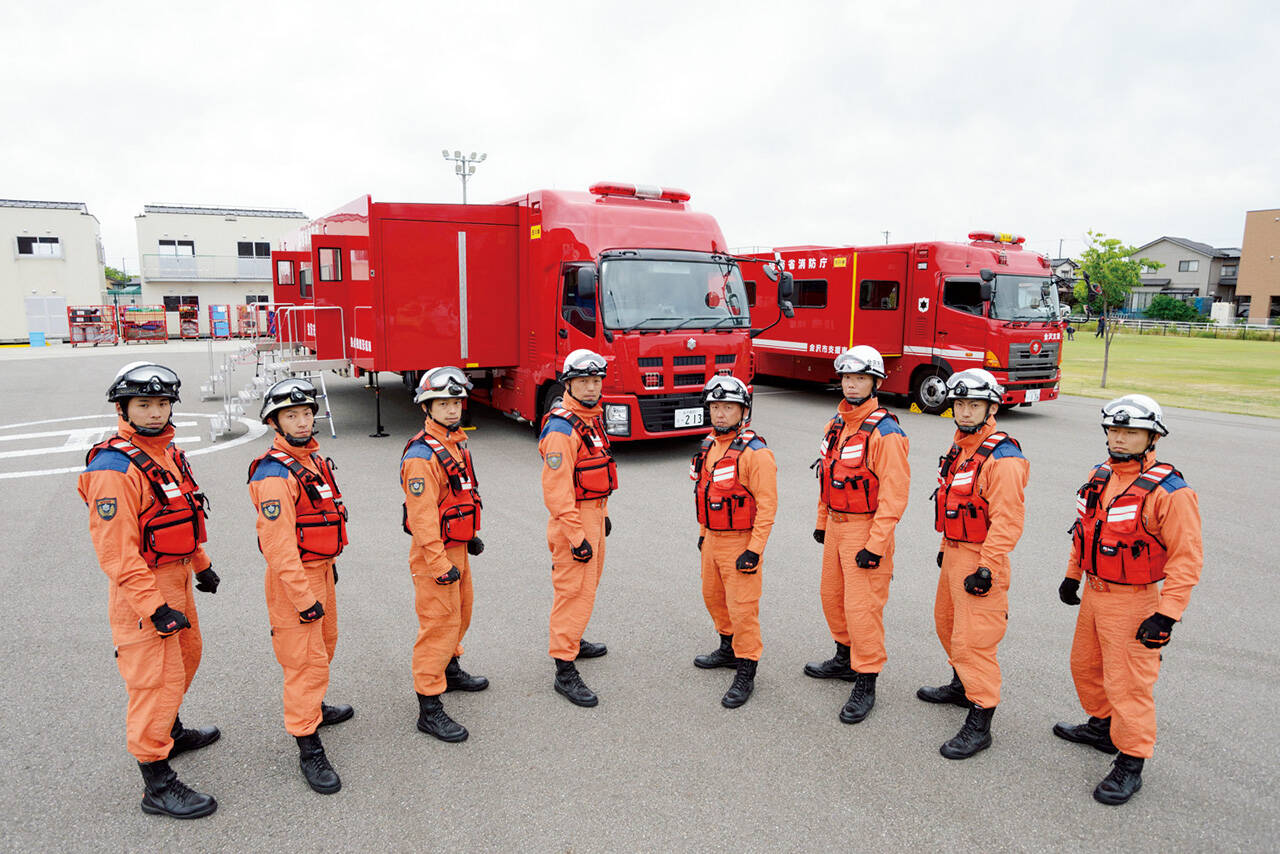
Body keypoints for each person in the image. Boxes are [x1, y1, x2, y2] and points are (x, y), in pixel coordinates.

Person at [78, 362, 220, 819]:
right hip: (144, 591)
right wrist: (154, 606)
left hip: (176, 577)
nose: (155, 413)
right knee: (154, 681)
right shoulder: (113, 469)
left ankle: (172, 731)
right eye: (144, 404)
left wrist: (202, 564)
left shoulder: (167, 453)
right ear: (124, 408)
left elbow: (184, 512)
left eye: (162, 404)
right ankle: (156, 783)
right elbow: (117, 553)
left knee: (187, 657)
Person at [1053, 395, 1202, 805]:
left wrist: (1166, 615)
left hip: (1136, 600)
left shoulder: (1170, 492)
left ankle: (1131, 761)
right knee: (1085, 667)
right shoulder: (1100, 475)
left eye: (1130, 431)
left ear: (1152, 436)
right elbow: (1085, 529)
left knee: (1129, 685)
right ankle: (1101, 727)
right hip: (1096, 593)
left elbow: (1187, 560)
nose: (1119, 438)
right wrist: (1072, 575)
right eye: (1114, 430)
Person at [247, 378, 352, 795]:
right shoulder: (274, 474)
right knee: (303, 661)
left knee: (324, 646)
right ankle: (307, 744)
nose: (303, 421)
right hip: (297, 579)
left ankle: (316, 707)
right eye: (291, 415)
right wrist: (303, 595)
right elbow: (278, 547)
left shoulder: (312, 459)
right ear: (275, 421)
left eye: (307, 413)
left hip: (320, 569)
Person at [917, 368, 1028, 759]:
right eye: (960, 404)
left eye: (974, 405)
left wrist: (987, 568)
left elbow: (1007, 520)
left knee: (974, 640)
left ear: (991, 407)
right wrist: (947, 547)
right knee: (947, 625)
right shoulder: (961, 448)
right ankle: (961, 685)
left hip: (982, 556)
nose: (965, 411)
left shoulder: (1003, 458)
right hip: (955, 549)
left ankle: (980, 721)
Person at [803, 346, 910, 724]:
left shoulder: (885, 432)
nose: (852, 385)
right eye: (847, 378)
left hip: (865, 529)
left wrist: (876, 545)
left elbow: (894, 496)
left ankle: (866, 680)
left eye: (860, 378)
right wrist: (821, 521)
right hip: (836, 524)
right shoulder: (838, 425)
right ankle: (845, 658)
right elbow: (827, 476)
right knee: (832, 597)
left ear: (875, 382)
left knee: (863, 609)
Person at [401, 367, 489, 743]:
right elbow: (422, 521)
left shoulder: (455, 443)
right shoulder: (422, 456)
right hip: (434, 554)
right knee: (437, 626)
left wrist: (469, 538)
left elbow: (458, 496)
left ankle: (450, 669)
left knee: (461, 614)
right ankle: (429, 707)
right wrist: (438, 564)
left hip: (455, 547)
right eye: (443, 404)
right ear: (427, 407)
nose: (452, 410)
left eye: (456, 403)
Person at [689, 376, 778, 708]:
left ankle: (746, 668)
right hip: (712, 538)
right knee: (713, 598)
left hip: (741, 542)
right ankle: (727, 649)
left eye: (728, 407)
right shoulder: (709, 446)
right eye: (715, 407)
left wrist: (754, 550)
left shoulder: (756, 453)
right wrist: (702, 536)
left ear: (743, 410)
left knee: (743, 610)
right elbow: (705, 494)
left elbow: (767, 506)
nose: (721, 414)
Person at [539, 349, 617, 707]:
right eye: (584, 381)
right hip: (574, 521)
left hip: (593, 515)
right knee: (573, 592)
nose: (591, 387)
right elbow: (557, 492)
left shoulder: (591, 419)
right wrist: (576, 535)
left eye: (596, 381)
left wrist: (602, 516)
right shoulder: (561, 428)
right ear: (569, 383)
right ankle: (564, 668)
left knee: (588, 587)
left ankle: (576, 637)